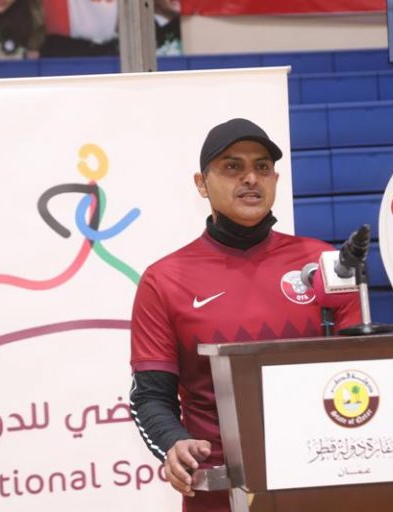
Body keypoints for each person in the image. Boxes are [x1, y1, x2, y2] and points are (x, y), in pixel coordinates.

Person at [129, 118, 360, 511]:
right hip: (221, 494)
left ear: (275, 179)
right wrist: (173, 442)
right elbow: (150, 396)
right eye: (232, 166)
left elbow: (363, 375)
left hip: (326, 484)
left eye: (262, 167)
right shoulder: (164, 280)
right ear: (201, 184)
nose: (251, 178)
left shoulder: (325, 263)